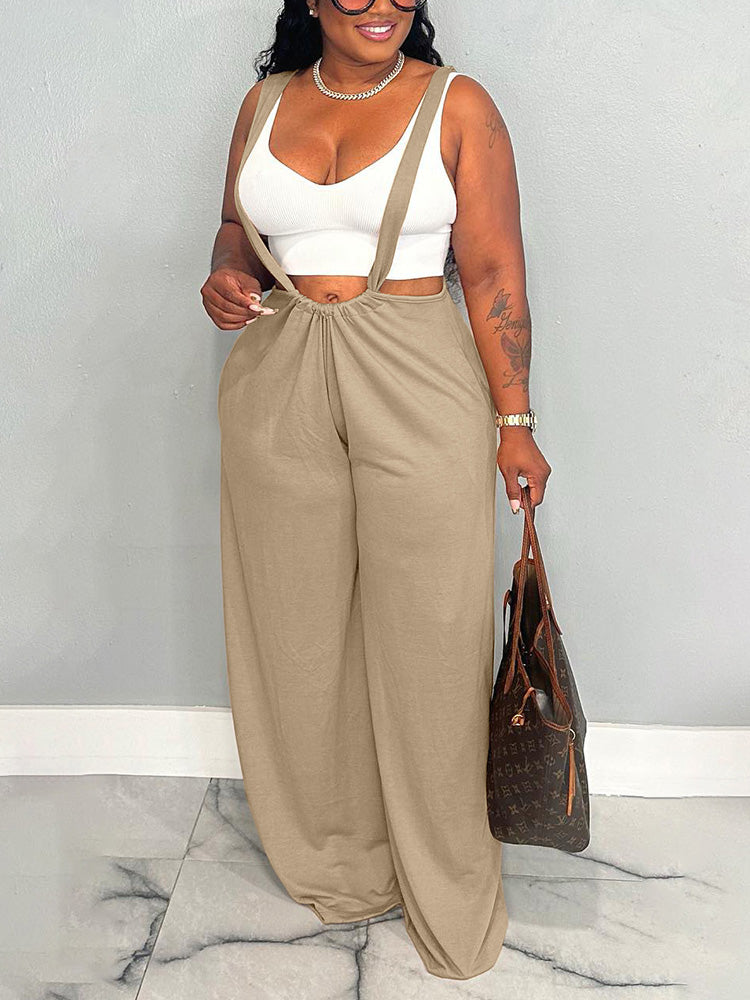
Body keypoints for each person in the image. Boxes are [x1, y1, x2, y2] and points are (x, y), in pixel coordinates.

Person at [201, 0, 552, 981]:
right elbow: (235, 227)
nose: (380, 4)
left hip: (415, 370)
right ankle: (341, 860)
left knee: (431, 639)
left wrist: (516, 421)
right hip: (280, 372)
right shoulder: (263, 104)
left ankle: (448, 890)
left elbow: (493, 268)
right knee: (298, 629)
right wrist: (225, 274)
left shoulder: (459, 105)